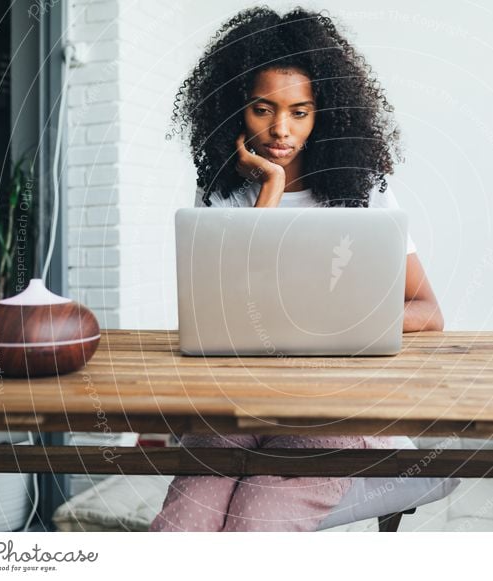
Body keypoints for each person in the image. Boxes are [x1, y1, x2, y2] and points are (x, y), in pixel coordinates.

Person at [150, 6, 443, 532]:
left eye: (299, 112)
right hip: (234, 400)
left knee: (256, 528)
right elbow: (221, 311)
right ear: (235, 108)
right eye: (263, 110)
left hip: (331, 407)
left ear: (323, 114)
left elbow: (428, 311)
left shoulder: (362, 192)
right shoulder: (223, 192)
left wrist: (335, 324)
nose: (280, 130)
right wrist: (270, 190)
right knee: (181, 528)